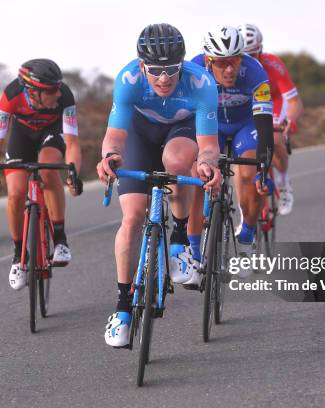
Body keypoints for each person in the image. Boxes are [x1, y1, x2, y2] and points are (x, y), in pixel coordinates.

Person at [97, 23, 221, 348]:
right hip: (139, 135)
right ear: (142, 66)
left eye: (171, 70)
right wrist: (109, 157)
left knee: (178, 163)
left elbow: (208, 143)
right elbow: (116, 136)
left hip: (181, 130)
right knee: (133, 218)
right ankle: (123, 308)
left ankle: (179, 244)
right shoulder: (128, 81)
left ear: (182, 64)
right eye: (155, 70)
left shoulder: (202, 82)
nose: (163, 78)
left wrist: (208, 162)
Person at [0, 59, 83, 291]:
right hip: (22, 137)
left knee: (48, 169)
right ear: (32, 92)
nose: (57, 94)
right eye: (50, 90)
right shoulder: (11, 96)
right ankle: (19, 256)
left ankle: (59, 239)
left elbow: (72, 143)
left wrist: (73, 172)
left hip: (51, 134)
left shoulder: (65, 96)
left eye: (58, 87)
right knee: (16, 194)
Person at [189, 26, 274, 271]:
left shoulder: (256, 72)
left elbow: (265, 122)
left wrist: (263, 167)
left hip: (244, 125)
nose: (229, 69)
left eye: (234, 61)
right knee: (196, 178)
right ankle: (194, 252)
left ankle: (247, 232)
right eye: (222, 63)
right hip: (210, 126)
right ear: (208, 60)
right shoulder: (194, 69)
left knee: (249, 175)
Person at [238, 23, 304, 215]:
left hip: (274, 102)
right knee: (241, 157)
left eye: (252, 55)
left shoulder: (273, 64)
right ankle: (245, 214)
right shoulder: (230, 68)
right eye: (243, 56)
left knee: (274, 138)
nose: (248, 61)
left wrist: (289, 120)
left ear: (261, 50)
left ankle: (283, 181)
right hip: (248, 106)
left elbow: (293, 101)